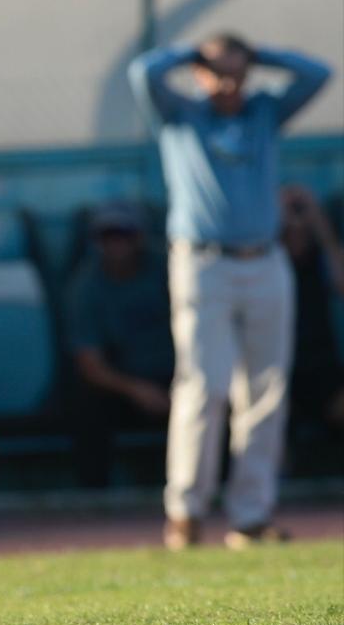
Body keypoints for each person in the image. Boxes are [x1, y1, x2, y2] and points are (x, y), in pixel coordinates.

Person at [128, 33, 332, 550]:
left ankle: (250, 514)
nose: (226, 83)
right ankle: (186, 511)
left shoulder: (263, 111)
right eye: (216, 73)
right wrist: (195, 52)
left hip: (264, 260)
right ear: (199, 72)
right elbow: (143, 74)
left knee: (265, 391)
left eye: (236, 73)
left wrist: (259, 53)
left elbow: (318, 74)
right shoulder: (180, 114)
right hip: (203, 263)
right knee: (205, 384)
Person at [65, 201, 174, 488]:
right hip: (123, 383)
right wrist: (137, 390)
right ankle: (93, 499)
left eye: (124, 234)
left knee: (216, 392)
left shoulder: (169, 270)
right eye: (107, 236)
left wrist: (188, 383)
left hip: (177, 376)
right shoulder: (86, 285)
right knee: (85, 401)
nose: (116, 244)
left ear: (139, 236)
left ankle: (218, 492)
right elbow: (88, 362)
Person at [279, 185, 344, 437]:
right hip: (280, 372)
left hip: (324, 372)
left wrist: (317, 221)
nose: (296, 228)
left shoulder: (322, 259)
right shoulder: (267, 264)